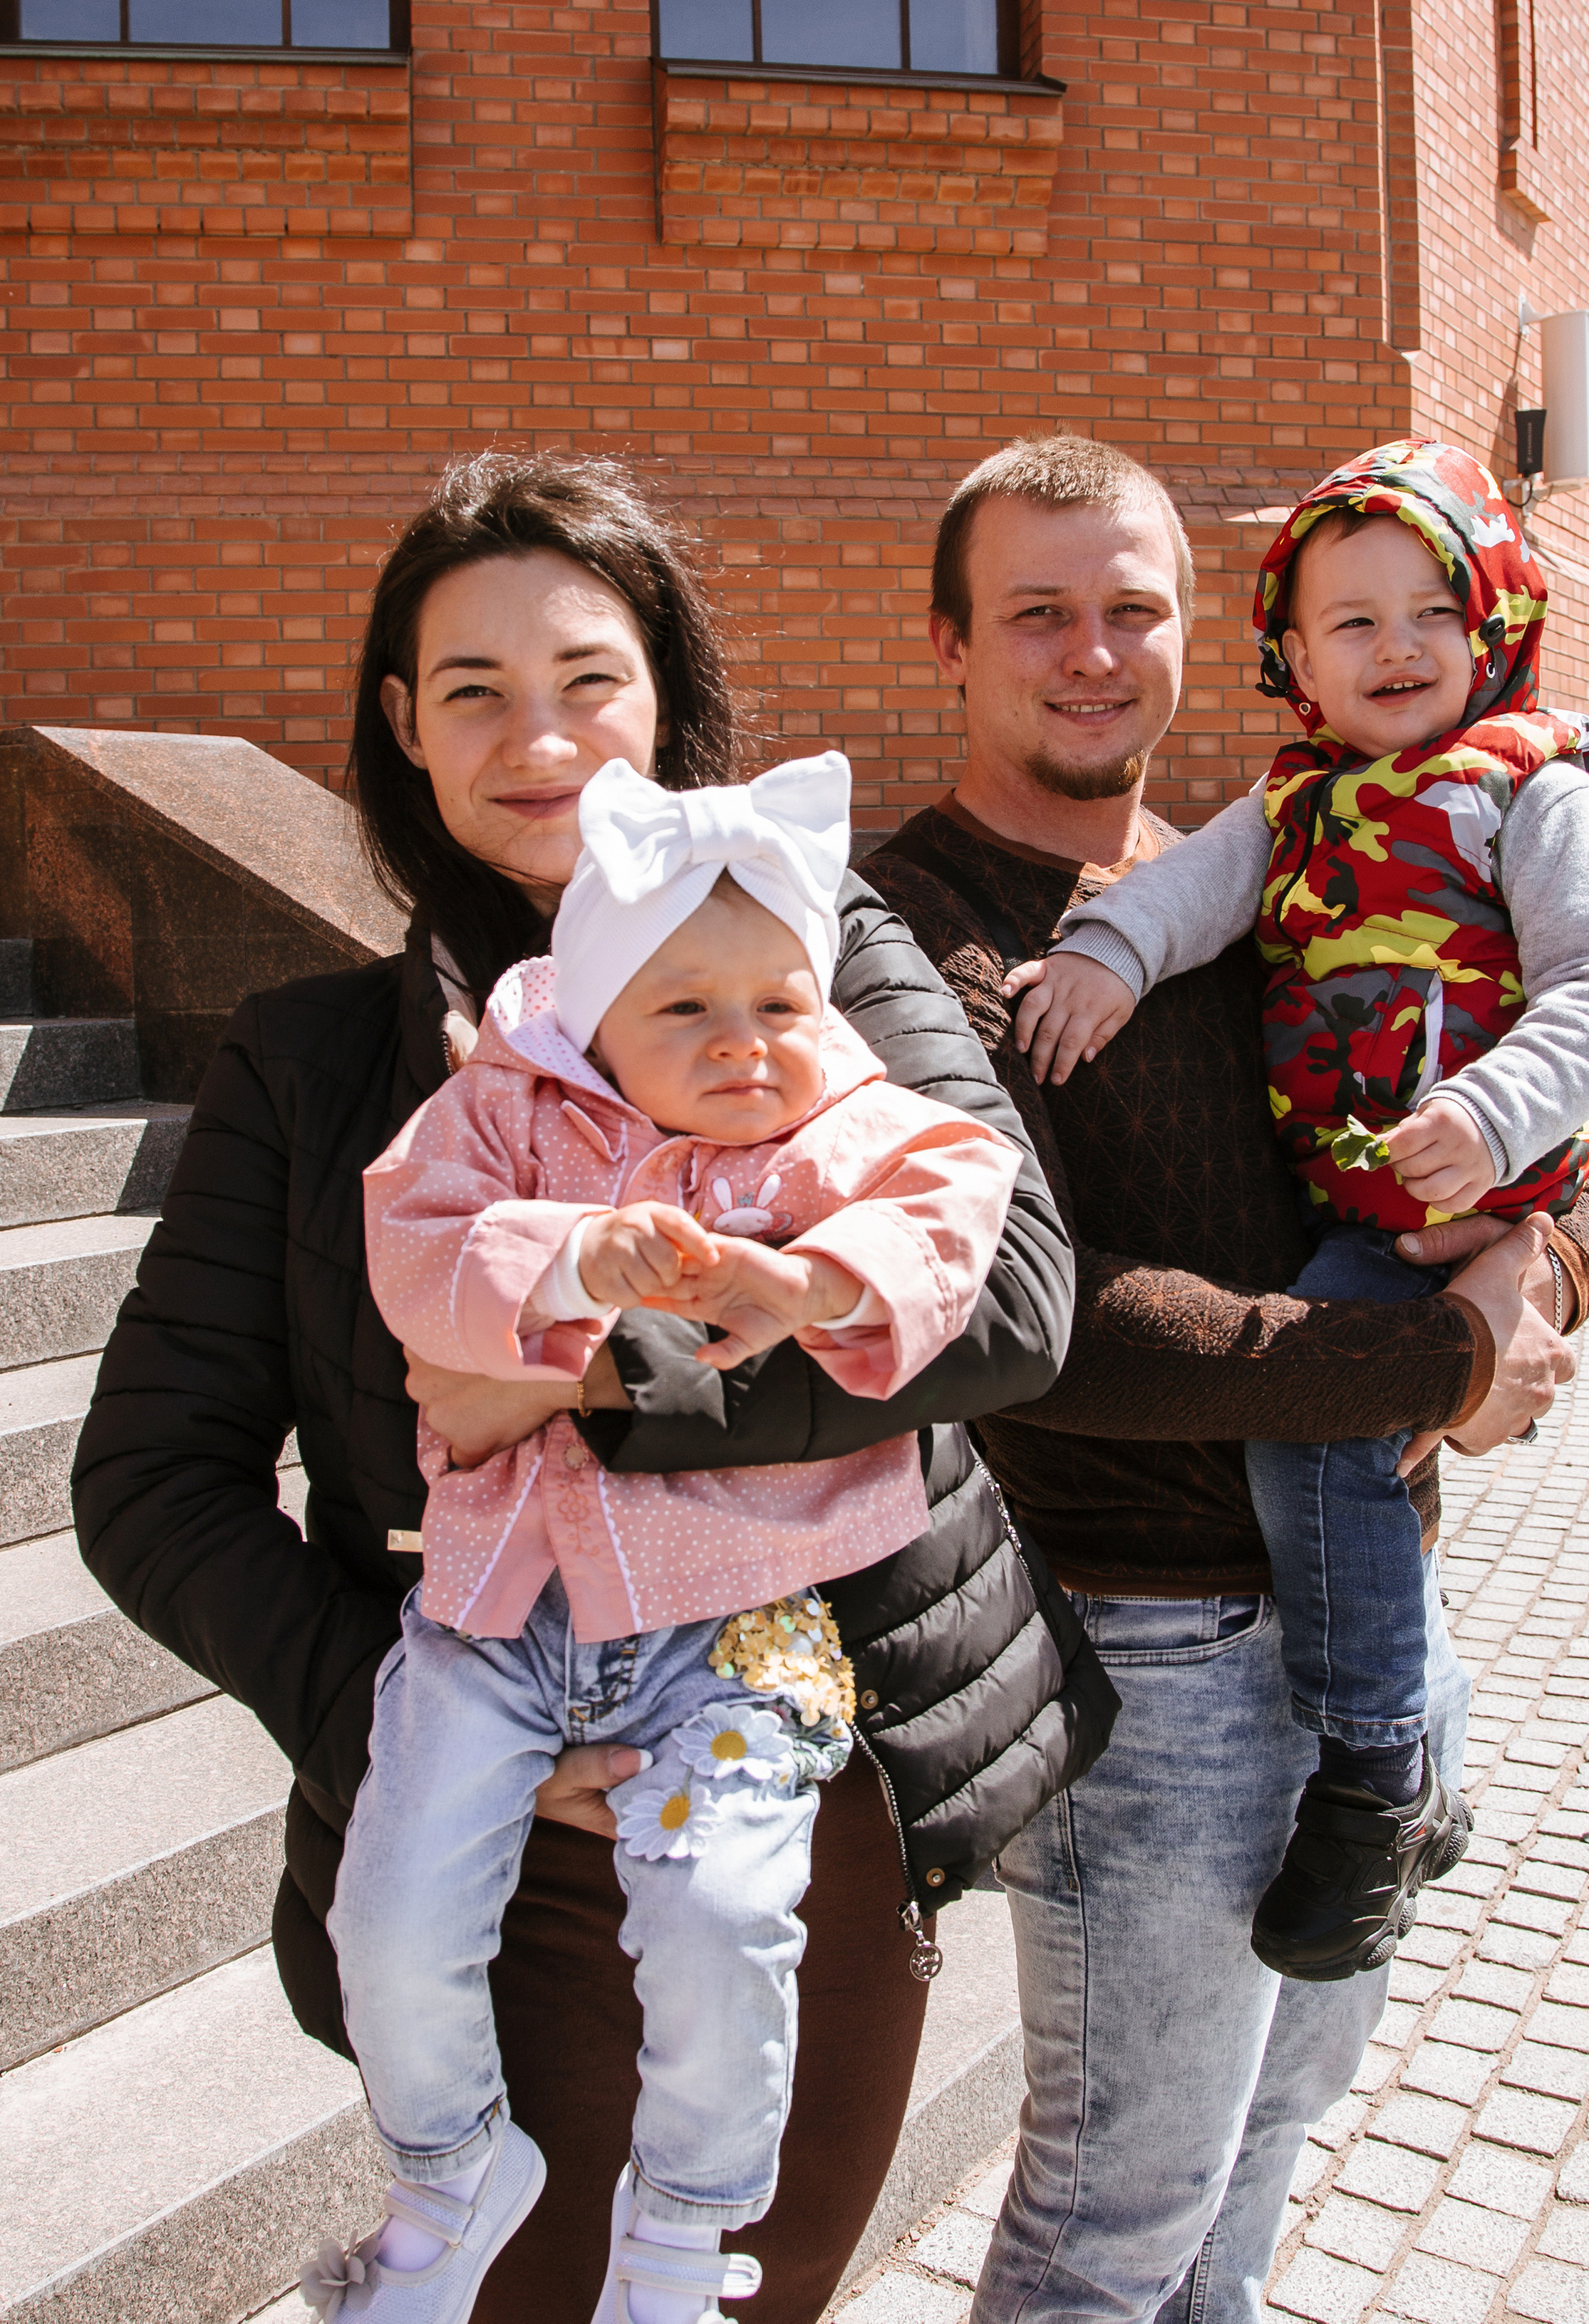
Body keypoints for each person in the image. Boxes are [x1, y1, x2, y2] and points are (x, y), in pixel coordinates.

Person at [72, 452, 1102, 2324]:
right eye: (474, 690)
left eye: (588, 679)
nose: (540, 739)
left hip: (810, 1772)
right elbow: (154, 1481)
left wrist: (597, 1386)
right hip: (508, 1823)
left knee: (743, 2285)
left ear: (667, 698)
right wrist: (412, 1722)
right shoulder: (312, 1067)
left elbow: (1018, 1296)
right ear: (402, 727)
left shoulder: (818, 953)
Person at [861, 435, 1589, 2324]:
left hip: (1366, 1597)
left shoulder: (1266, 859)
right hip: (1146, 1662)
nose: (1093, 651)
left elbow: (1516, 1082)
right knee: (1124, 2201)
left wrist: (1538, 1257)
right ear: (949, 641)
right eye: (1039, 612)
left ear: (1205, 635)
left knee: (1280, 2130)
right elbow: (1037, 1324)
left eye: (1133, 609)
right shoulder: (901, 939)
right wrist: (1434, 1359)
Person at [308, 749, 1025, 2321]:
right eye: (684, 1010)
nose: (745, 1044)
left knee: (720, 1920)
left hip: (735, 1625)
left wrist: (814, 1283)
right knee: (393, 1907)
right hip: (494, 1620)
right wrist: (571, 1261)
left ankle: (690, 2229)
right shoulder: (502, 1107)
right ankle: (447, 2174)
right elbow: (410, 1240)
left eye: (776, 1002)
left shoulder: (836, 1121)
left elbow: (962, 1197)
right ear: (595, 1014)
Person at [999, 440, 1589, 1982]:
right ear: (1290, 658)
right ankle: (1402, 1744)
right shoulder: (1288, 801)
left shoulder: (1530, 793)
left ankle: (1376, 1769)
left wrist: (1498, 1128)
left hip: (1471, 1187)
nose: (1395, 647)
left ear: (1491, 626)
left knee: (1312, 1431)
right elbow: (1181, 896)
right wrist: (1101, 955)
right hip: (1357, 1219)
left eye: (1430, 610)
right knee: (1331, 1435)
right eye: (1349, 623)